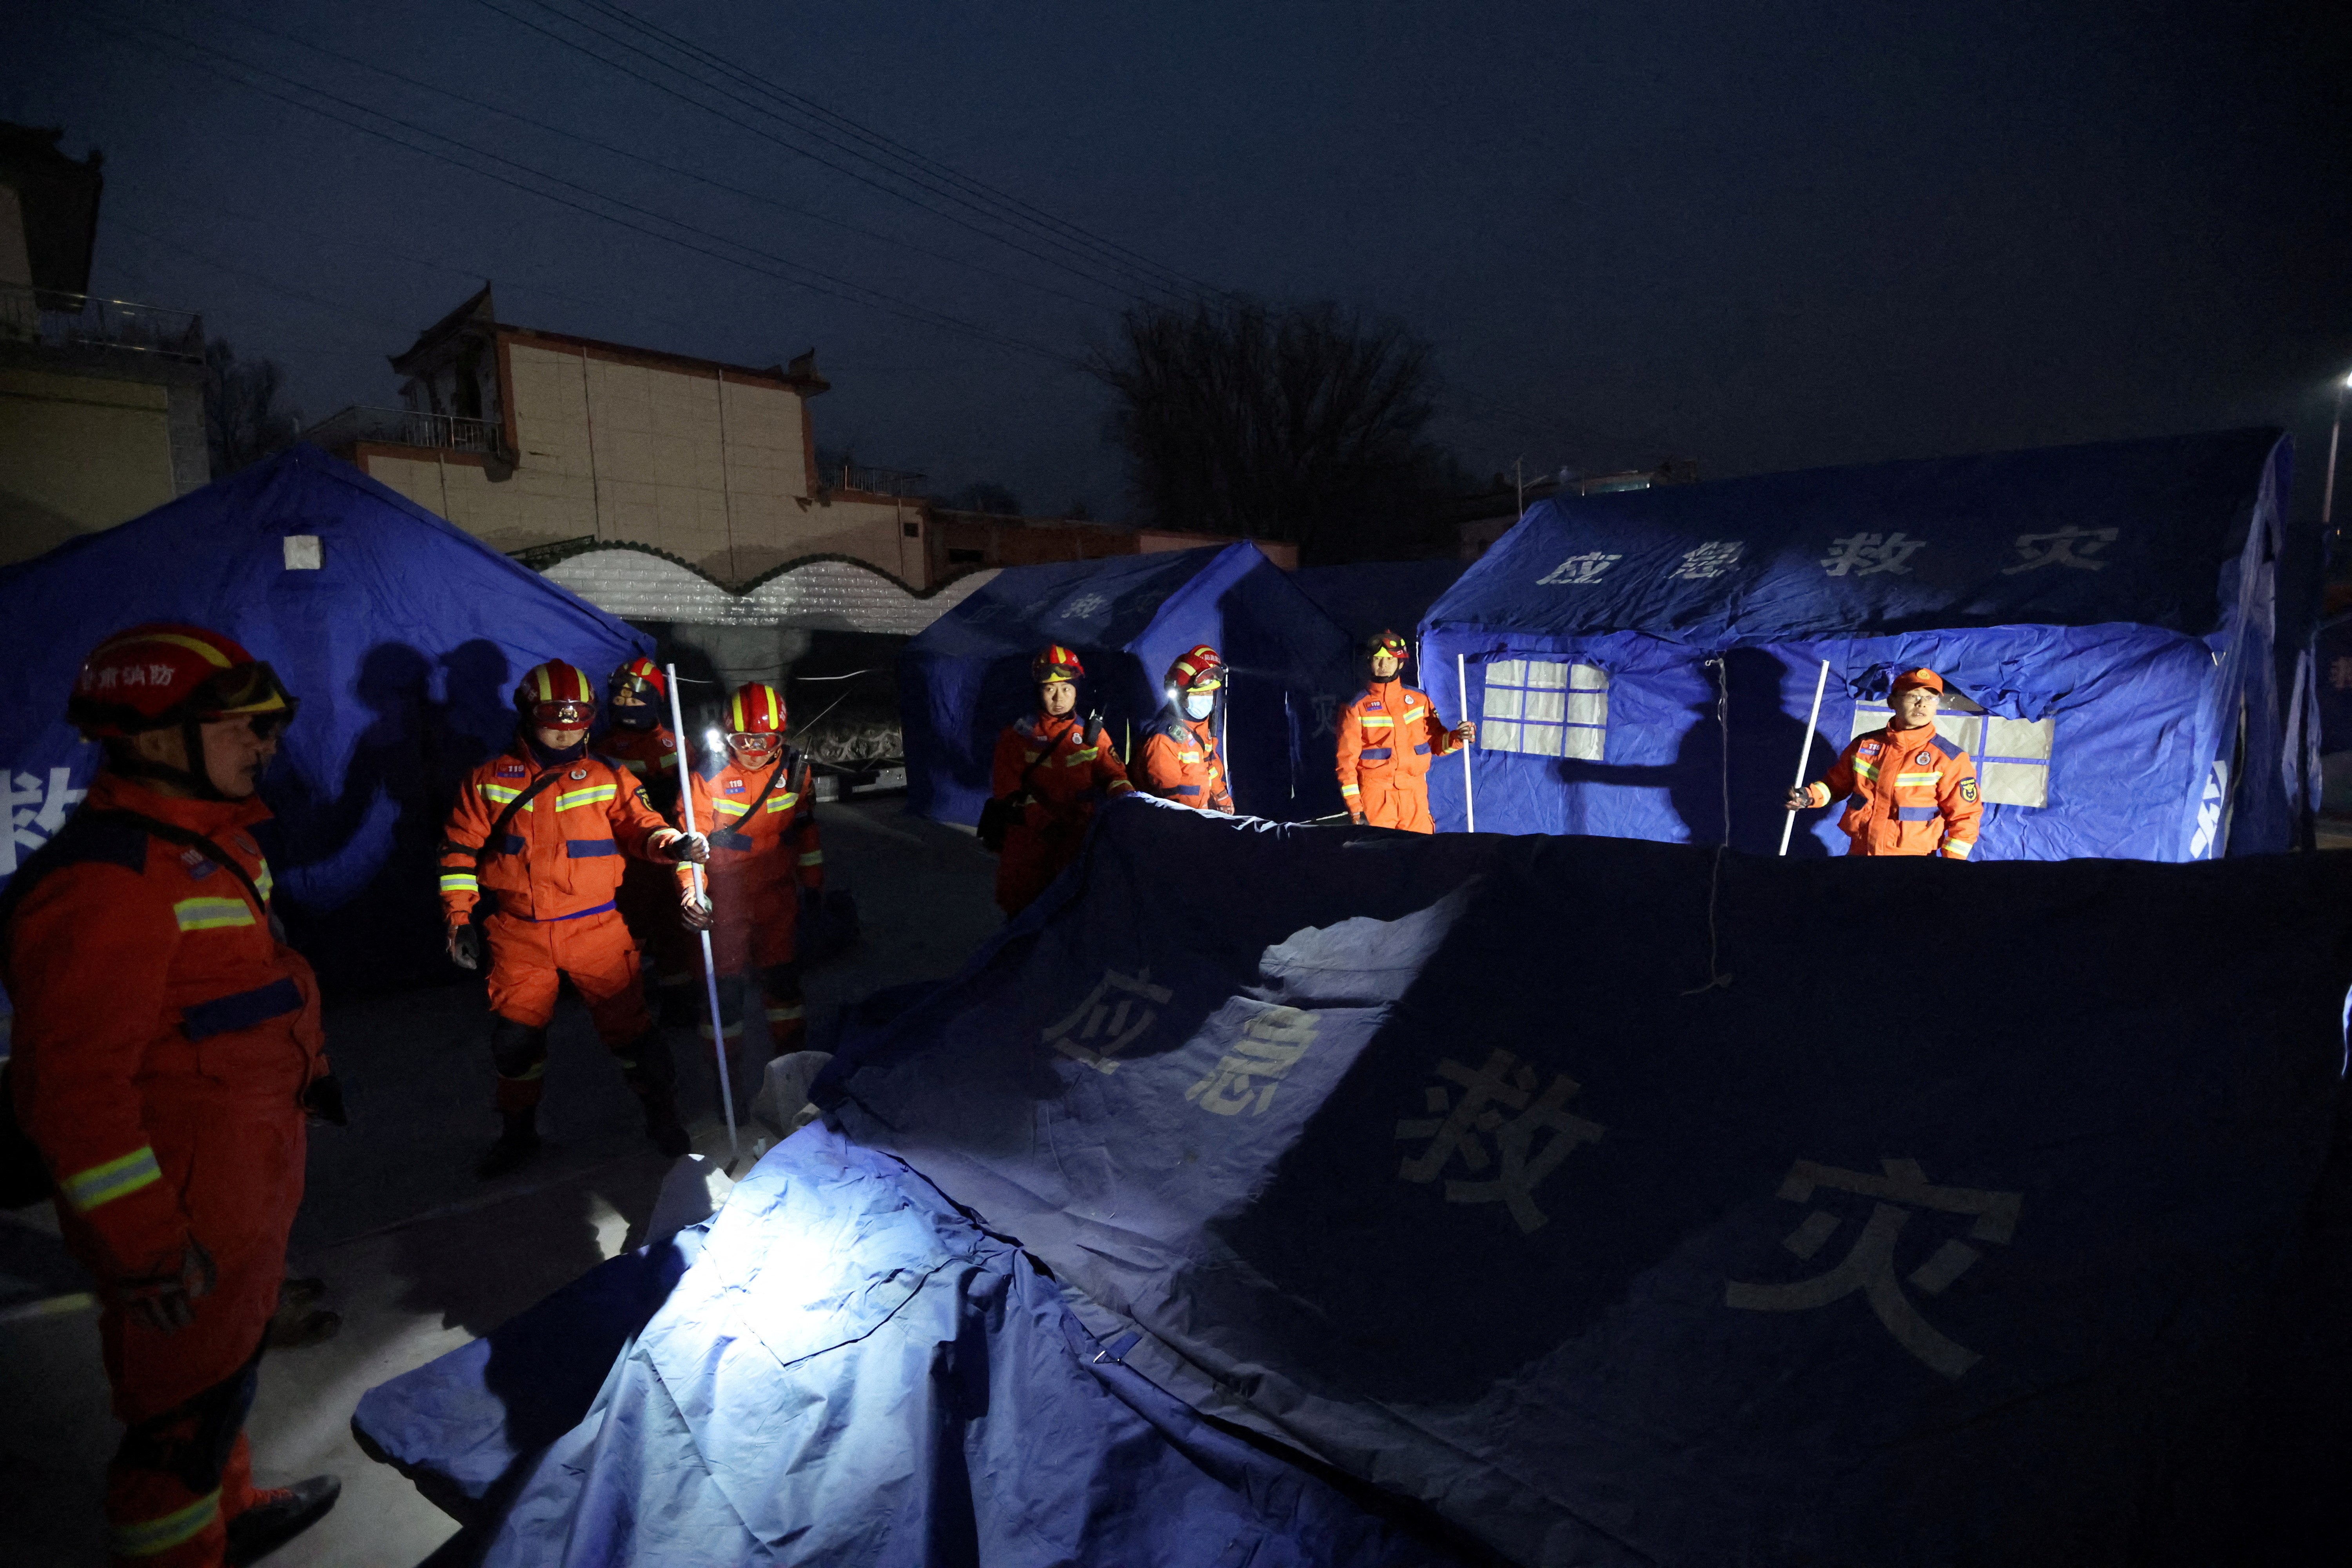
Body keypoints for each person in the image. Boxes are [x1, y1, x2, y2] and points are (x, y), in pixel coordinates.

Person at [0, 624, 341, 1566]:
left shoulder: (206, 845)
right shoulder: (107, 886)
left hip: (236, 1187)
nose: (263, 746)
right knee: (175, 1428)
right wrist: (148, 1248)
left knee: (222, 1377)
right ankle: (179, 1545)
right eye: (239, 728)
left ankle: (231, 1513)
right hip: (180, 1216)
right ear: (152, 738)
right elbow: (71, 1095)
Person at [437, 659, 709, 1178]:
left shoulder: (607, 775)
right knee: (516, 1042)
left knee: (634, 1035)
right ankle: (518, 1135)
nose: (566, 733)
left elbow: (642, 826)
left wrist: (674, 845)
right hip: (520, 933)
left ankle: (663, 1117)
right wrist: (460, 919)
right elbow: (457, 850)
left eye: (578, 721)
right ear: (526, 713)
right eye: (554, 721)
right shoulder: (489, 781)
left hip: (596, 928)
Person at [676, 682, 824, 1083]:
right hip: (726, 901)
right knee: (725, 996)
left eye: (767, 739)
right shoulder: (706, 777)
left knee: (783, 984)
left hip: (776, 897)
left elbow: (804, 828)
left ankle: (793, 1067)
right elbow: (689, 844)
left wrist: (813, 883)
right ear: (728, 734)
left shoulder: (794, 770)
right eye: (745, 739)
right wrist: (693, 892)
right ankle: (727, 1078)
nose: (756, 750)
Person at [987, 645, 1134, 915]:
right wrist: (1044, 822)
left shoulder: (1092, 734)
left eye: (1066, 688)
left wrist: (1128, 801)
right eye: (1050, 689)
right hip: (1032, 843)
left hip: (1080, 838)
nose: (1059, 697)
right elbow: (1007, 790)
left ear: (1077, 690)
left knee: (1079, 912)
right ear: (1038, 691)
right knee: (1026, 916)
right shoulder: (1018, 736)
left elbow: (1114, 775)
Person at [1785, 667, 1982, 858]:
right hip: (1861, 853)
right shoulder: (1864, 745)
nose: (1922, 704)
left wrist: (1953, 867)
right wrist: (1810, 796)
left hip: (1913, 864)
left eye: (1931, 698)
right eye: (1913, 696)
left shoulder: (1949, 759)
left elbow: (1966, 817)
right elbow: (1836, 785)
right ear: (1892, 702)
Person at [597, 656, 696, 1025]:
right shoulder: (603, 747)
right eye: (619, 699)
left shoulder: (676, 743)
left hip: (669, 851)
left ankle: (679, 1005)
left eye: (635, 699)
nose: (625, 705)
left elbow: (694, 796)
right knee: (626, 933)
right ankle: (624, 1006)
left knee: (672, 931)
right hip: (623, 858)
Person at [1334, 630, 1473, 833]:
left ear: (1400, 663)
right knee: (1379, 858)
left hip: (1415, 795)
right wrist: (1356, 810)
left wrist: (1458, 738)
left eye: (1390, 660)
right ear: (1369, 662)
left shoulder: (1419, 700)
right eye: (1378, 659)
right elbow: (1346, 764)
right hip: (1376, 799)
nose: (1384, 666)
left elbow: (1436, 743)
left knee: (1420, 855)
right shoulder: (1356, 707)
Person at [1137, 644, 1235, 813]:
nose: (1205, 699)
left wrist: (1221, 795)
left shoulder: (1202, 727)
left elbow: (1208, 764)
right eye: (1198, 694)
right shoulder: (1163, 740)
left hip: (1203, 817)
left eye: (1209, 693)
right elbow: (1168, 801)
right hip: (1182, 824)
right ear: (1181, 696)